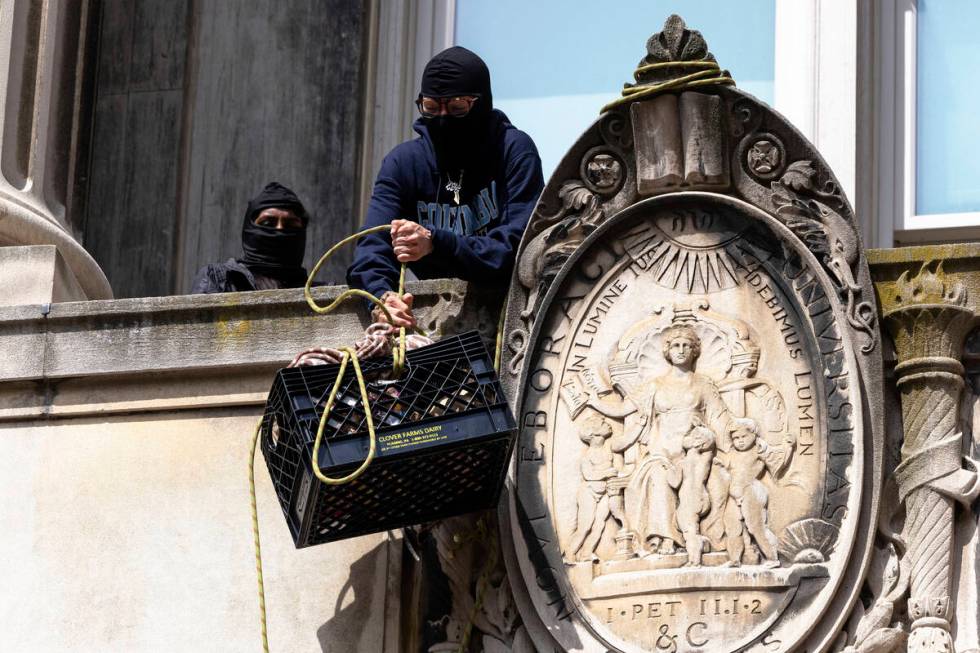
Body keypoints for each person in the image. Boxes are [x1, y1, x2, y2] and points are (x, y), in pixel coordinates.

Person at [346, 46, 544, 328]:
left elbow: (517, 248)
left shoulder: (513, 150)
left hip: (509, 319)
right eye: (430, 107)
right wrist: (381, 298)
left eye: (457, 108)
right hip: (434, 324)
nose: (442, 119)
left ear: (481, 103)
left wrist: (436, 243)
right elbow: (371, 249)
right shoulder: (403, 164)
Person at [192, 182, 310, 294]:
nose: (279, 229)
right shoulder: (220, 280)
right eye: (267, 224)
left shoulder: (320, 297)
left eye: (290, 224)